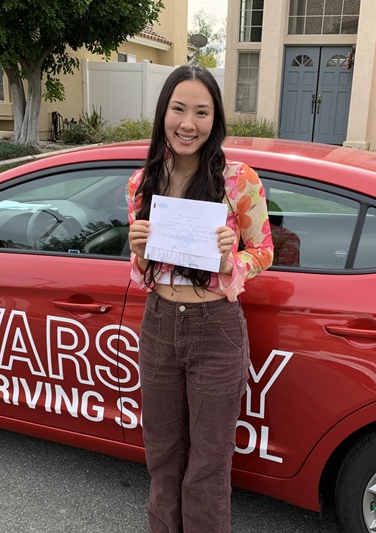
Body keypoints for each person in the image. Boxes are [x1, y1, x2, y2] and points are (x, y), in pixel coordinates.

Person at [127, 66, 274, 532]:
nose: (188, 123)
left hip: (216, 328)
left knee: (208, 465)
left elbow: (265, 250)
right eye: (178, 109)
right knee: (162, 456)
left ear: (215, 120)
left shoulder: (238, 179)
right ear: (163, 113)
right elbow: (144, 274)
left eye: (201, 112)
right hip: (159, 323)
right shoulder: (143, 182)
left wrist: (235, 263)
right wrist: (136, 253)